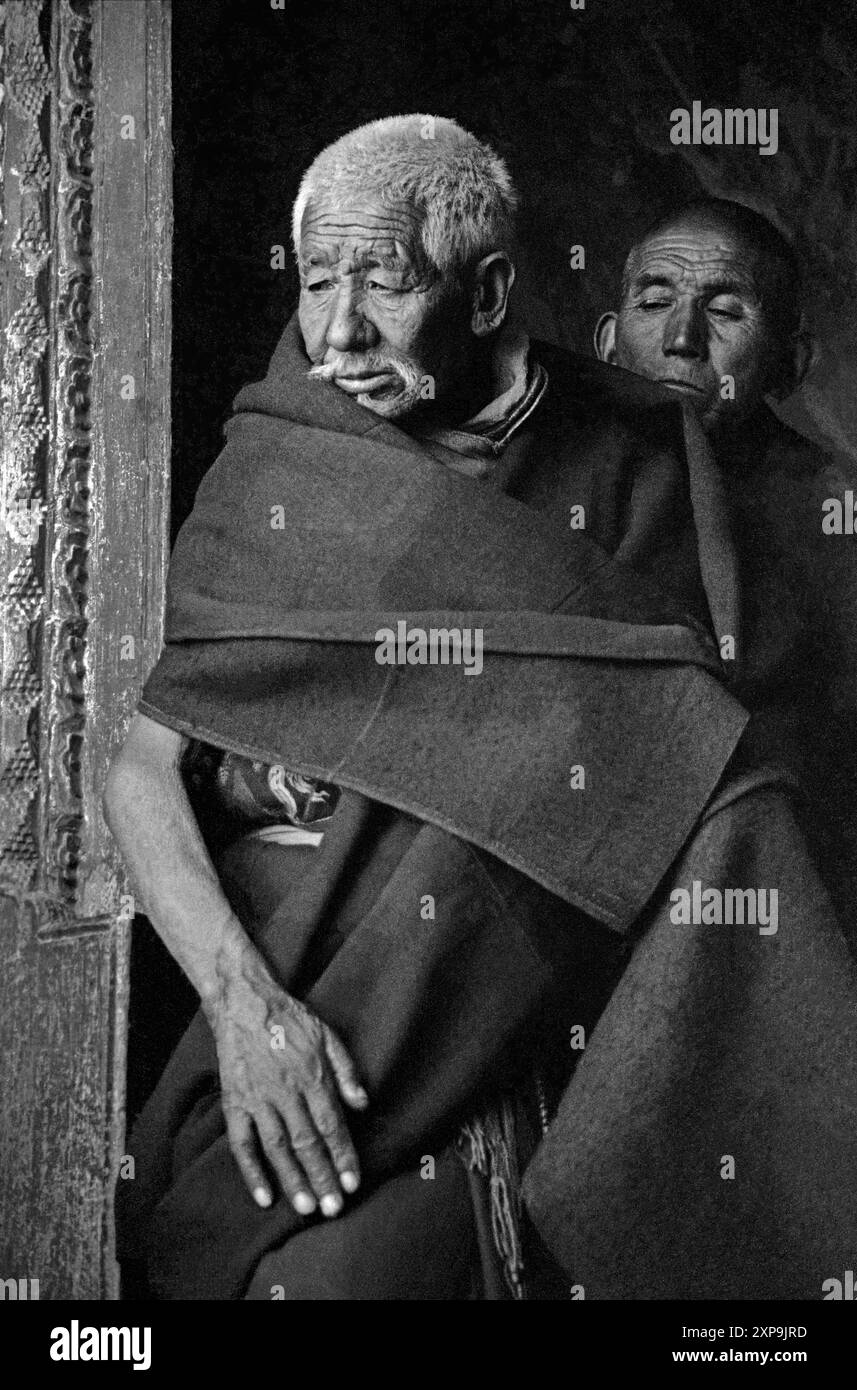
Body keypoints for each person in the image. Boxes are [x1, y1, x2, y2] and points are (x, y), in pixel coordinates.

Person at [106, 120, 857, 1301]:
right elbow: (142, 768)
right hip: (311, 981)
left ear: (489, 291)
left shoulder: (632, 452)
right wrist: (248, 1011)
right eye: (317, 281)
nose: (339, 332)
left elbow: (686, 748)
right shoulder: (282, 453)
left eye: (384, 284)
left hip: (537, 999)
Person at [595, 198, 857, 946]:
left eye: (724, 311)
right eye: (654, 302)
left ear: (789, 364)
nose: (681, 339)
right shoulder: (548, 469)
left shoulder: (833, 514)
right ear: (607, 341)